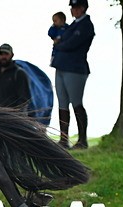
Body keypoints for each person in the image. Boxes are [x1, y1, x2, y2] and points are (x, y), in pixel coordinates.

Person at [52, 0, 95, 149]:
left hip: (75, 69)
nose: (74, 10)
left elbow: (71, 44)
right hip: (62, 67)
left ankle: (82, 140)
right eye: (73, 7)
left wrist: (59, 44)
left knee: (76, 103)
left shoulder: (86, 25)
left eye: (77, 7)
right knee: (62, 103)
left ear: (83, 8)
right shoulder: (73, 25)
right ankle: (64, 139)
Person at [0, 43, 31, 113]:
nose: (3, 57)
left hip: (11, 118)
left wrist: (18, 117)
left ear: (12, 55)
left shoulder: (19, 73)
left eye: (6, 54)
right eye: (1, 54)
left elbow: (24, 100)